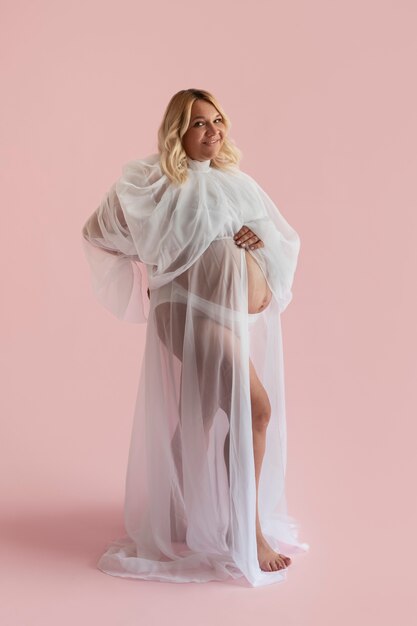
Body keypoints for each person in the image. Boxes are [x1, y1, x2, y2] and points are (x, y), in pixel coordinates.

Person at [81, 88, 309, 586]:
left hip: (225, 316)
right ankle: (246, 533)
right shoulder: (156, 182)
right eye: (200, 123)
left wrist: (255, 241)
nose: (214, 130)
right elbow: (98, 231)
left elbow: (280, 243)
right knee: (255, 408)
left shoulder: (237, 183)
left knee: (200, 413)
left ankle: (177, 510)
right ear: (178, 133)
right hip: (191, 315)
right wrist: (154, 268)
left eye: (218, 121)